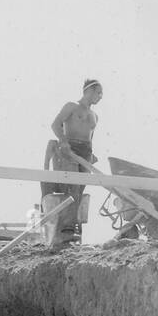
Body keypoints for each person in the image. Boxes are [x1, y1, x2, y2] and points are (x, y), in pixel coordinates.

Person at [49, 79, 103, 241]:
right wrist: (63, 141)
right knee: (72, 186)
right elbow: (55, 124)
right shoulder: (71, 106)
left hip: (85, 151)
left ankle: (72, 226)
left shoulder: (95, 116)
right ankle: (65, 228)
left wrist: (91, 155)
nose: (100, 97)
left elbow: (90, 137)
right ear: (89, 91)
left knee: (79, 190)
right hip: (69, 148)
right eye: (98, 93)